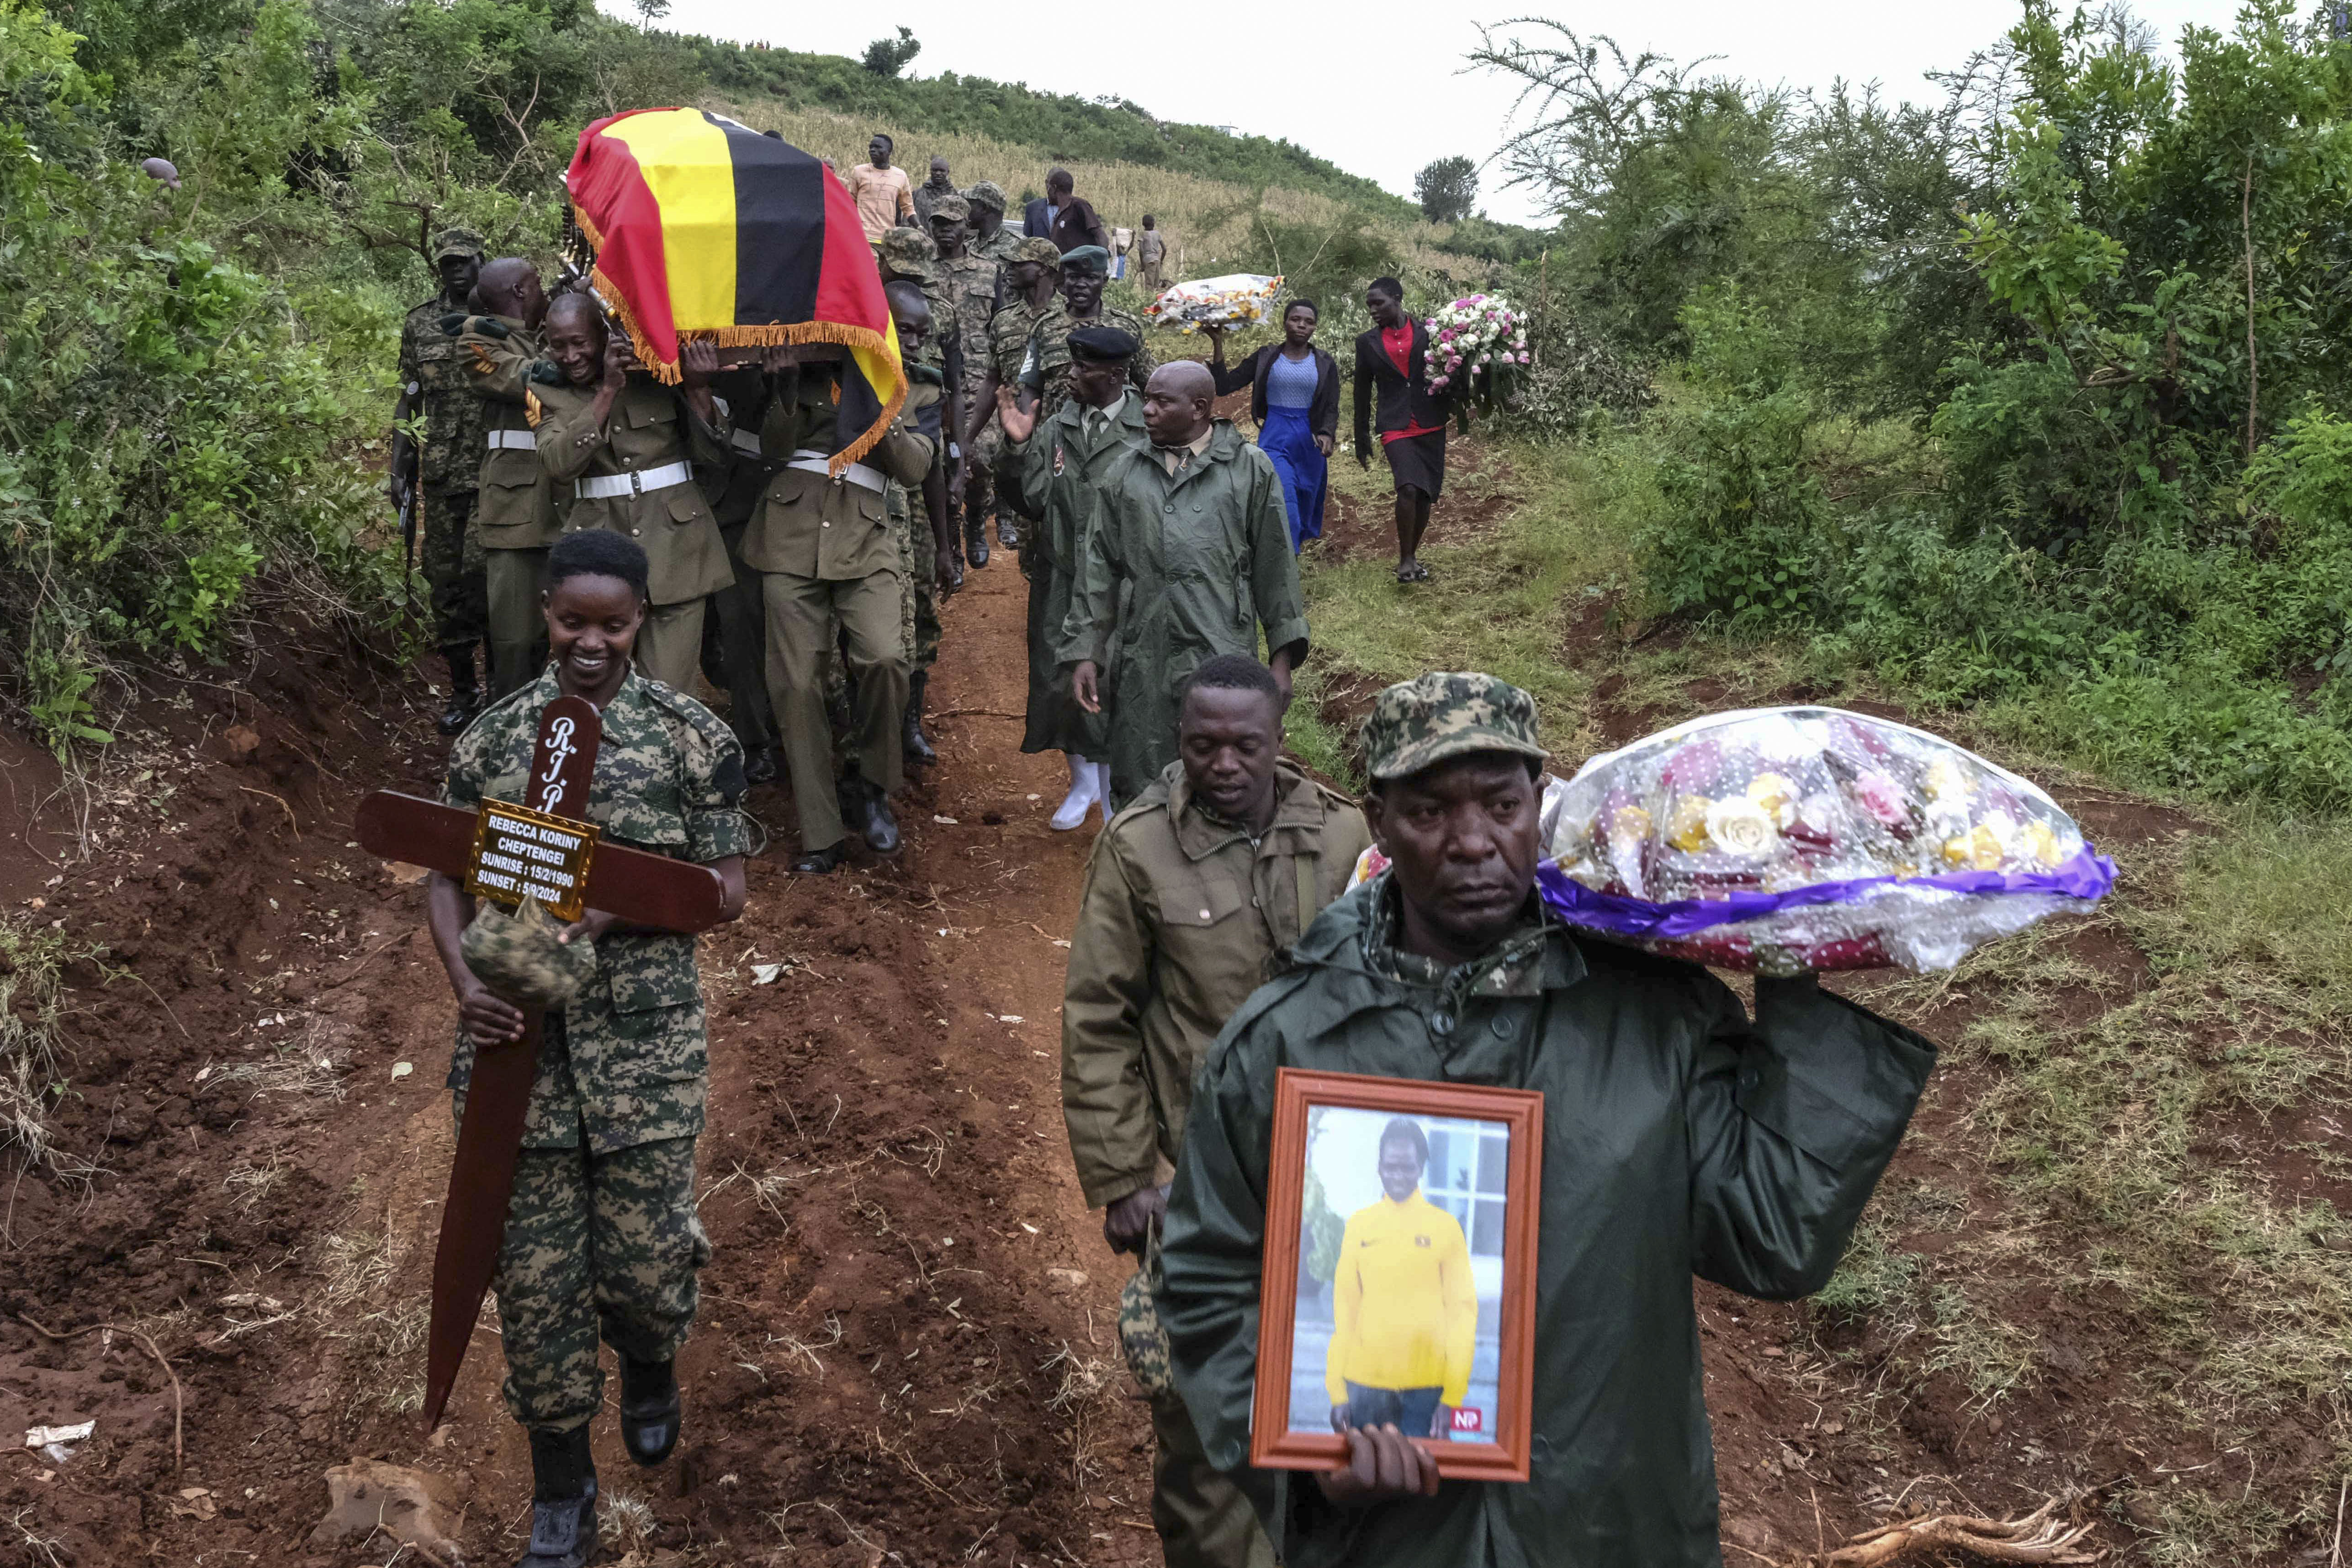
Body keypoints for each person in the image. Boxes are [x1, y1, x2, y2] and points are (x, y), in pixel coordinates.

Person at [1156, 671, 1938, 1567]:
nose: (1472, 843)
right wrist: (1308, 1454)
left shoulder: (1657, 1018)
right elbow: (1206, 1279)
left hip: (1609, 1524)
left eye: (1500, 804)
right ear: (1377, 820)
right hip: (1388, 1539)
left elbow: (1775, 1236)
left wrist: (1789, 963)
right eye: (1430, 812)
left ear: (1543, 802)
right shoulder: (1285, 1042)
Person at [427, 528, 750, 1568]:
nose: (590, 642)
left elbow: (725, 891)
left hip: (644, 1064)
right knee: (536, 1292)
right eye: (572, 620)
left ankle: (652, 1365)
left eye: (612, 625)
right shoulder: (493, 740)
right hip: (517, 1063)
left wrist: (605, 904)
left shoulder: (694, 742)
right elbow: (443, 871)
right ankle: (560, 1491)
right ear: (547, 613)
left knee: (648, 1274)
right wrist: (470, 983)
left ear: (641, 620)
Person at [1061, 654, 1369, 1568]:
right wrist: (1124, 1178)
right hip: (1202, 1195)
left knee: (1348, 1424)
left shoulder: (1347, 837)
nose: (1224, 765)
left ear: (1281, 740)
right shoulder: (1138, 846)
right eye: (1203, 746)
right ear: (1178, 743)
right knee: (1206, 1447)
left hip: (1340, 1192)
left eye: (1246, 745)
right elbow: (1098, 1013)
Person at [738, 307, 941, 874]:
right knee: (796, 685)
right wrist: (779, 386)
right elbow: (772, 451)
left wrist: (882, 398)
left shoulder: (917, 385)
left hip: (866, 536)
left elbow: (913, 469)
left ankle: (873, 786)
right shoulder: (799, 368)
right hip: (788, 534)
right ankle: (820, 831)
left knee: (885, 659)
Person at [1061, 362, 1307, 810]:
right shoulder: (1123, 474)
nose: (1147, 411)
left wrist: (1281, 660)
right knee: (1143, 775)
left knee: (1223, 774)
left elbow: (1276, 567)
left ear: (1198, 408)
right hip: (1143, 657)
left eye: (1160, 401)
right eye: (1147, 399)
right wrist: (1086, 650)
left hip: (1222, 650)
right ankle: (1145, 871)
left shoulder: (1249, 470)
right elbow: (1098, 569)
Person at [528, 294, 736, 694]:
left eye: (580, 342)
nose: (570, 356)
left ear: (604, 338)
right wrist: (607, 391)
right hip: (598, 555)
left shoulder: (657, 372)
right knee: (595, 693)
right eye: (559, 345)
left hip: (677, 548)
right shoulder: (543, 388)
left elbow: (715, 454)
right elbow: (558, 464)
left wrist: (698, 390)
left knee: (670, 695)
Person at [993, 325, 1149, 828]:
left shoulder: (1146, 426)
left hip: (1122, 585)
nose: (1073, 376)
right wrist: (1016, 449)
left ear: (1116, 374)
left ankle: (1115, 795)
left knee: (1117, 681)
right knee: (1059, 677)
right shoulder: (1059, 425)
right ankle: (1083, 786)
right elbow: (1033, 500)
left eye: (1084, 368)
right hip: (1061, 576)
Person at [394, 226, 492, 733]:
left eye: (465, 261)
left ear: (481, 261)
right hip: (442, 476)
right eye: (448, 262)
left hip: (498, 473)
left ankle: (503, 691)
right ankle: (463, 692)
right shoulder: (420, 323)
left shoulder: (503, 316)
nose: (456, 270)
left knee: (488, 580)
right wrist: (398, 466)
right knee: (445, 586)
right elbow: (409, 398)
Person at [1323, 1118, 1476, 1439]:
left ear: (1421, 1167)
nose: (1398, 1176)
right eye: (1391, 1166)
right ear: (1379, 1166)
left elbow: (1462, 1314)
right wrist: (1338, 1392)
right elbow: (1345, 1310)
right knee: (1364, 1483)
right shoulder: (1359, 1226)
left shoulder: (1445, 1228)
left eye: (1408, 1167)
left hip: (1425, 1393)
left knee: (1419, 1485)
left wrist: (1452, 1397)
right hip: (1364, 1389)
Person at [454, 257, 562, 699]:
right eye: (538, 283)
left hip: (576, 501)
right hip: (517, 510)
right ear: (520, 291)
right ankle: (511, 731)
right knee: (517, 639)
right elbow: (531, 377)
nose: (546, 290)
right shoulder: (475, 339)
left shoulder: (550, 329)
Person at [874, 230, 960, 736]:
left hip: (914, 507)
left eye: (918, 335)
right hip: (861, 512)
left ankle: (911, 722)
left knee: (922, 607)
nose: (912, 342)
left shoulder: (923, 380)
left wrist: (946, 542)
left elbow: (927, 466)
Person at [692, 360, 784, 784]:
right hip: (728, 508)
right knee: (741, 627)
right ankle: (755, 737)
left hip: (792, 507)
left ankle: (788, 724)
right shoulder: (716, 354)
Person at [1206, 301, 1338, 553]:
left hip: (1309, 438)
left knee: (1304, 495)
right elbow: (1224, 387)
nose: (1301, 325)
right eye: (1295, 319)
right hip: (1275, 435)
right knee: (1282, 493)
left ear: (1315, 328)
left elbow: (1332, 404)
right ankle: (1286, 557)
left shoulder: (1324, 362)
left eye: (1308, 322)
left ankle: (1291, 549)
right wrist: (1218, 344)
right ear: (1285, 322)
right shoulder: (1266, 356)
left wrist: (1327, 433)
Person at [938, 192, 1021, 562]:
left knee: (981, 458)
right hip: (934, 384)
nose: (944, 231)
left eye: (951, 224)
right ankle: (952, 541)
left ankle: (976, 518)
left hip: (977, 384)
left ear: (964, 227)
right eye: (937, 223)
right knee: (939, 462)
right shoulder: (922, 272)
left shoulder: (990, 271)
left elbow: (1002, 326)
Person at [1353, 278, 1450, 584]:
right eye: (1369, 304)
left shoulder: (1430, 333)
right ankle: (1405, 560)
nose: (1372, 309)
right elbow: (1362, 391)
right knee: (1408, 488)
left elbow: (1451, 369)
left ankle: (1413, 554)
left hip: (1431, 421)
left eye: (1378, 302)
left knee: (1425, 495)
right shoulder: (1366, 342)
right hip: (1394, 425)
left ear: (1397, 298)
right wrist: (1361, 437)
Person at [1017, 247, 1155, 421]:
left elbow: (1149, 384)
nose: (1081, 284)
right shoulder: (1045, 327)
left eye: (1091, 278)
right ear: (1064, 280)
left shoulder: (1126, 328)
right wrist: (1029, 429)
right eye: (1074, 277)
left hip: (1115, 439)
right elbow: (1031, 387)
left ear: (1104, 281)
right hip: (1060, 437)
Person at [845, 133, 914, 245]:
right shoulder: (859, 172)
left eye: (878, 147)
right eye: (871, 147)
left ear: (890, 151)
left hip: (887, 239)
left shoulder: (900, 176)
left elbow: (908, 207)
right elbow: (850, 202)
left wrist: (919, 227)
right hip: (863, 237)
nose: (873, 150)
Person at [1042, 166, 1111, 256]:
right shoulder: (1059, 215)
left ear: (1055, 188)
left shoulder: (1079, 206)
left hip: (1081, 269)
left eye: (1049, 188)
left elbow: (1100, 235)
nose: (1048, 191)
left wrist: (1101, 261)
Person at [962, 180, 1022, 270]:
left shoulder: (1018, 246)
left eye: (969, 204)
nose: (965, 210)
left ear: (984, 209)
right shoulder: (967, 246)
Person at [911, 154, 959, 226]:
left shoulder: (955, 196)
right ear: (930, 171)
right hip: (922, 234)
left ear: (948, 172)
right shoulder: (917, 194)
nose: (938, 173)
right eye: (935, 170)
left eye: (942, 171)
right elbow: (909, 218)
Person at [1136, 215, 1168, 293]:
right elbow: (1165, 249)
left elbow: (1141, 251)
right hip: (1157, 260)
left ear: (1143, 224)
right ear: (1153, 224)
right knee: (1156, 286)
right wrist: (1161, 261)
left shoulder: (1142, 234)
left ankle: (1148, 303)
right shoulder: (1157, 234)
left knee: (1149, 286)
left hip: (1148, 261)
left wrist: (1143, 264)